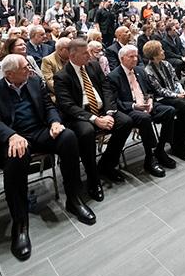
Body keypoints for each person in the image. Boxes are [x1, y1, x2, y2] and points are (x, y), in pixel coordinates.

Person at [0, 54, 95, 260]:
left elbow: (49, 106)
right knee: (16, 155)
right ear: (9, 74)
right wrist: (11, 136)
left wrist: (54, 122)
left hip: (39, 130)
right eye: (25, 67)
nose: (30, 69)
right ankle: (20, 221)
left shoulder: (33, 82)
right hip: (15, 136)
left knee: (68, 137)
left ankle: (73, 198)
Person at [53, 39, 134, 200]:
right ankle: (93, 178)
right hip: (80, 115)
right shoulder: (61, 76)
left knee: (125, 122)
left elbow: (106, 88)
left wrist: (109, 112)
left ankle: (106, 165)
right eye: (85, 53)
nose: (89, 55)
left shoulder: (93, 66)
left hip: (102, 109)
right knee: (87, 132)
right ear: (72, 55)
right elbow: (67, 106)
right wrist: (94, 119)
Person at [107, 46, 175, 177]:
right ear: (122, 59)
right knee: (144, 119)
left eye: (136, 56)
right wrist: (134, 106)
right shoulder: (113, 76)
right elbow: (116, 102)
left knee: (170, 111)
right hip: (130, 109)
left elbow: (149, 91)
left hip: (145, 104)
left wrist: (149, 100)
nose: (135, 59)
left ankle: (160, 150)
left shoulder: (140, 71)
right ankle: (150, 158)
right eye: (131, 56)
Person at [142, 40, 185, 158]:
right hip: (162, 98)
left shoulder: (167, 64)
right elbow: (159, 90)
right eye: (161, 49)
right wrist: (176, 95)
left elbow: (176, 80)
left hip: (175, 93)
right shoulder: (148, 71)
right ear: (154, 54)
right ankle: (179, 146)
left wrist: (181, 91)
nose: (163, 51)